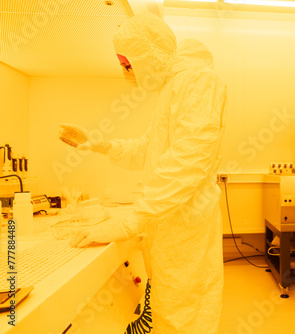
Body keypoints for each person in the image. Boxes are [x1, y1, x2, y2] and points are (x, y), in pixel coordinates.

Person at [59, 13, 227, 334]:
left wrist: (129, 221)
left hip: (185, 226)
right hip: (168, 224)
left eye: (127, 65)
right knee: (167, 313)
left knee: (184, 318)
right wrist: (100, 144)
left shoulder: (200, 81)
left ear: (147, 54)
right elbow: (148, 149)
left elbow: (189, 161)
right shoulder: (173, 88)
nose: (127, 74)